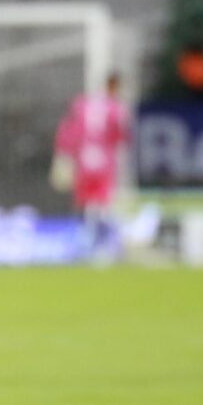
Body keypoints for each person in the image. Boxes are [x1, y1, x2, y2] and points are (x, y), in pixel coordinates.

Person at [53, 74, 130, 263]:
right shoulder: (116, 108)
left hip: (84, 163)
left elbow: (67, 130)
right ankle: (106, 246)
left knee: (87, 205)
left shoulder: (81, 105)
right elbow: (121, 134)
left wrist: (63, 154)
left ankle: (86, 246)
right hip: (104, 163)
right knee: (104, 204)